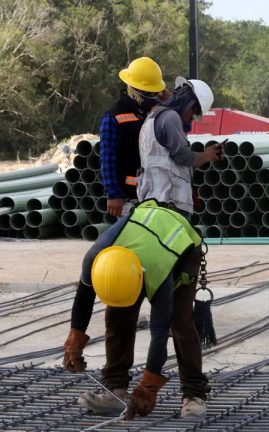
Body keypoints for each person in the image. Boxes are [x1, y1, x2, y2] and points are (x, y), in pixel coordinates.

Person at [63, 199, 216, 419]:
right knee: (118, 318)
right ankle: (114, 390)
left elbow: (159, 334)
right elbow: (83, 298)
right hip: (143, 236)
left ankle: (194, 394)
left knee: (180, 322)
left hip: (182, 250)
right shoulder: (96, 257)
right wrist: (74, 342)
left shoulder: (159, 275)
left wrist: (148, 388)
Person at [137, 77, 221, 218]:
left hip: (153, 197)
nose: (192, 119)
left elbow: (169, 161)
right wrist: (208, 155)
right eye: (194, 113)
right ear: (190, 104)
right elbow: (183, 156)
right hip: (169, 201)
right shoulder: (170, 117)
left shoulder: (153, 117)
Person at [100, 57, 168, 217]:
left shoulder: (154, 112)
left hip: (157, 192)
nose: (153, 96)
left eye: (155, 93)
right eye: (149, 93)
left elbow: (180, 129)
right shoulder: (114, 116)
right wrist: (113, 194)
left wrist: (170, 104)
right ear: (134, 90)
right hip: (128, 197)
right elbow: (107, 159)